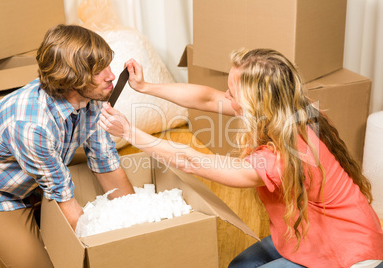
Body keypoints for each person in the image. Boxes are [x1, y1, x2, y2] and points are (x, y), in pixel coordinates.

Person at [99, 49, 383, 267]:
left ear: (253, 103)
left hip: (351, 255)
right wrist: (145, 86)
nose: (225, 97)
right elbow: (208, 98)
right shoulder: (286, 108)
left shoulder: (283, 157)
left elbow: (192, 161)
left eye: (232, 94)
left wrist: (131, 134)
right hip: (309, 234)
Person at [0, 24, 135, 268]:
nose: (111, 76)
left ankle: (36, 208)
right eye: (99, 71)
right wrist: (108, 253)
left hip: (38, 174)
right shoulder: (32, 125)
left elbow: (106, 164)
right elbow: (66, 200)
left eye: (108, 65)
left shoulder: (91, 98)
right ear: (72, 78)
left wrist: (139, 227)